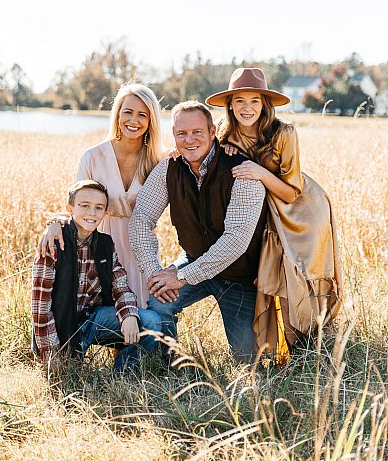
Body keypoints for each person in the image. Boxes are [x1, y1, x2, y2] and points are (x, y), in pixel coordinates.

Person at [205, 67, 342, 355]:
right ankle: (277, 348)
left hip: (300, 212)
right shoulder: (222, 133)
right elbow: (196, 149)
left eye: (255, 101)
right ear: (230, 104)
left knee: (300, 279)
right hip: (264, 218)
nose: (247, 108)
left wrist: (259, 172)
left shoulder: (283, 133)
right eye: (240, 101)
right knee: (270, 280)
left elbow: (292, 190)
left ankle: (310, 348)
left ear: (265, 104)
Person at [129, 101, 267, 363]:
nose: (189, 140)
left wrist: (182, 276)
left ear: (213, 132)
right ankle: (170, 364)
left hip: (240, 274)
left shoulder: (242, 171)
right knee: (159, 303)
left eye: (197, 132)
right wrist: (155, 274)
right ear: (174, 135)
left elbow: (235, 241)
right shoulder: (169, 168)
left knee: (248, 360)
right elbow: (140, 220)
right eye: (181, 133)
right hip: (195, 258)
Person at [39, 82, 164, 308]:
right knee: (109, 317)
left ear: (151, 120)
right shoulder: (92, 157)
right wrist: (54, 222)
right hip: (101, 245)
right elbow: (77, 206)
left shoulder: (159, 162)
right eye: (128, 112)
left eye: (142, 115)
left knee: (146, 321)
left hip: (142, 249)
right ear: (117, 114)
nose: (133, 121)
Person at [32, 179, 161, 371]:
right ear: (70, 208)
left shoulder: (105, 244)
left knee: (151, 321)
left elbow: (121, 286)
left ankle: (123, 375)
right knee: (69, 376)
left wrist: (129, 316)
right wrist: (51, 353)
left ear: (105, 213)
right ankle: (66, 358)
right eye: (85, 206)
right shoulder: (53, 244)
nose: (92, 213)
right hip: (61, 327)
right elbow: (40, 308)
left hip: (93, 320)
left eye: (99, 207)